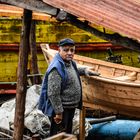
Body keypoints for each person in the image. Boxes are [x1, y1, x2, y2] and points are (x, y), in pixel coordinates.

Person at [38, 38, 100, 136]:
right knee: (58, 136)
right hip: (62, 110)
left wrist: (85, 71)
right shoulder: (56, 68)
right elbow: (53, 93)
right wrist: (58, 113)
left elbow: (72, 72)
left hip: (70, 107)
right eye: (66, 50)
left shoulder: (70, 63)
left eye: (72, 50)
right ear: (59, 50)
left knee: (67, 135)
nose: (70, 53)